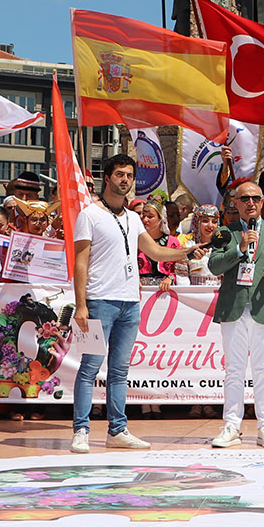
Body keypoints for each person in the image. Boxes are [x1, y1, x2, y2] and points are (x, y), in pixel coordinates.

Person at [69, 153, 200, 452]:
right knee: (89, 367)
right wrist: (81, 305)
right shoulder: (89, 215)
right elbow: (80, 262)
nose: (125, 180)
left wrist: (188, 252)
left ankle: (117, 430)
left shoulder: (133, 218)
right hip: (98, 300)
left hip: (130, 302)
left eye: (129, 175)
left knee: (119, 370)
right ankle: (81, 430)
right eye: (119, 174)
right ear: (108, 177)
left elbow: (154, 252)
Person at [205, 177, 264, 448]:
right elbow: (214, 266)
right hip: (234, 308)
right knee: (233, 370)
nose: (251, 203)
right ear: (235, 203)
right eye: (244, 199)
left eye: (256, 198)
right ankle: (231, 425)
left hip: (262, 307)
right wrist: (239, 247)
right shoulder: (225, 232)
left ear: (263, 202)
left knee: (263, 370)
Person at [177, 206, 222, 283]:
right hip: (194, 293)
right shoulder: (188, 246)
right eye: (205, 221)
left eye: (214, 222)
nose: (210, 225)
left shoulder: (223, 247)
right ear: (197, 223)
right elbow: (181, 277)